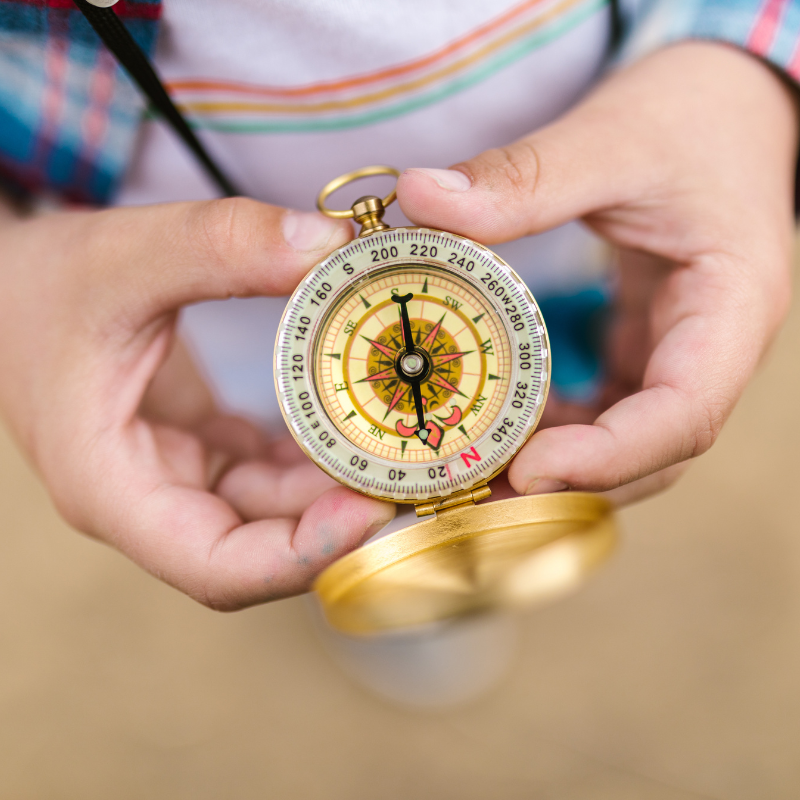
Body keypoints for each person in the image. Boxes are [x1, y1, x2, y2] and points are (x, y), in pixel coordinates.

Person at [0, 0, 797, 611]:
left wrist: (734, 76)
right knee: (308, 487)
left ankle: (438, 545)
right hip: (197, 334)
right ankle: (401, 553)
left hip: (570, 237)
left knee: (562, 384)